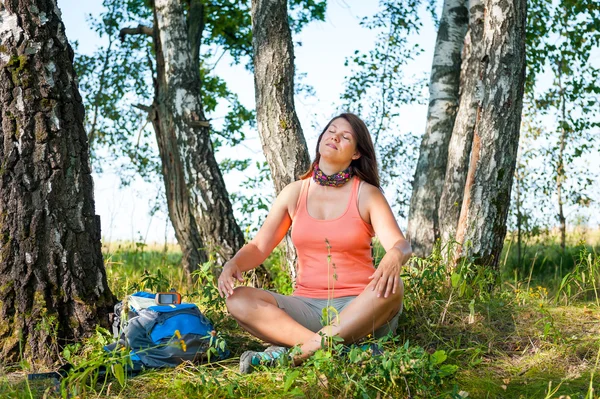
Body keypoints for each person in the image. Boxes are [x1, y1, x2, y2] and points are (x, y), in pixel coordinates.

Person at [218, 113, 412, 373]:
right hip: (306, 309)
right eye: (331, 130)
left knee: (393, 286)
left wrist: (394, 256)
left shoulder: (366, 194)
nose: (334, 136)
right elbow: (259, 247)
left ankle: (295, 355)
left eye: (345, 136)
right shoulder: (295, 193)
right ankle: (338, 351)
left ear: (356, 153)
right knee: (237, 299)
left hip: (360, 307)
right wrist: (234, 263)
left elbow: (401, 244)